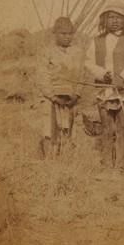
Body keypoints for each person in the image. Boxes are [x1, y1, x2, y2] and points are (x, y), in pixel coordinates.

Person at [84, 3, 124, 170]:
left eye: (118, 18)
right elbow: (89, 62)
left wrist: (123, 77)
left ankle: (119, 164)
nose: (115, 21)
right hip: (105, 90)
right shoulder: (97, 40)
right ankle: (107, 163)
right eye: (111, 17)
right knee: (106, 128)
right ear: (105, 20)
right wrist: (102, 73)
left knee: (122, 128)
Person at [38, 16, 84, 158]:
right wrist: (53, 96)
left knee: (68, 129)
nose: (67, 37)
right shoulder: (47, 52)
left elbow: (81, 76)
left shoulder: (78, 52)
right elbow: (42, 76)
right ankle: (49, 160)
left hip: (70, 98)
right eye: (63, 34)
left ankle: (65, 159)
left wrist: (76, 95)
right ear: (55, 33)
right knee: (50, 128)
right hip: (51, 98)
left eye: (70, 34)